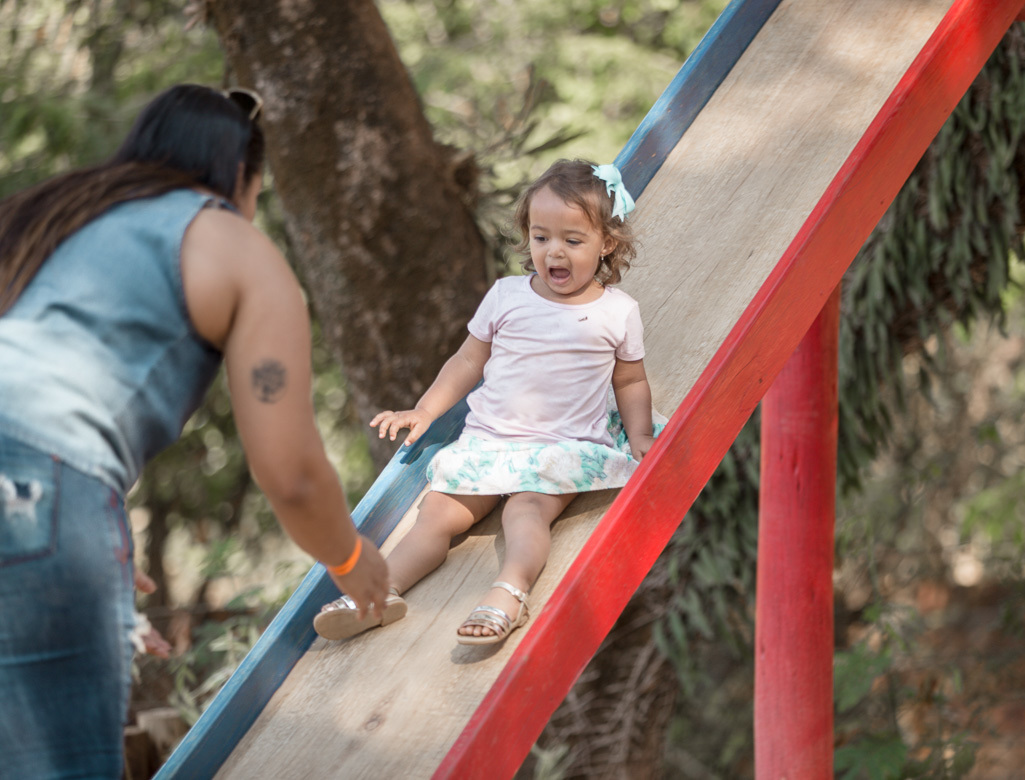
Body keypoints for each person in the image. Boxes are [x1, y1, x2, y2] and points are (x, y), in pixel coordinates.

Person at [0, 84, 390, 778]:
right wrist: (352, 559)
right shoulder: (232, 242)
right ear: (242, 174)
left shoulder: (54, 215)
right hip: (40, 493)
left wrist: (87, 532)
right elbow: (292, 472)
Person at [313, 159, 658, 646]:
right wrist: (425, 410)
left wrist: (640, 435)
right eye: (541, 237)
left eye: (572, 240)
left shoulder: (617, 312)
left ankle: (508, 594)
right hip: (489, 440)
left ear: (606, 244)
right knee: (436, 515)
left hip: (559, 446)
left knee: (526, 512)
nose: (554, 251)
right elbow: (468, 359)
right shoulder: (506, 296)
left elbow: (630, 380)